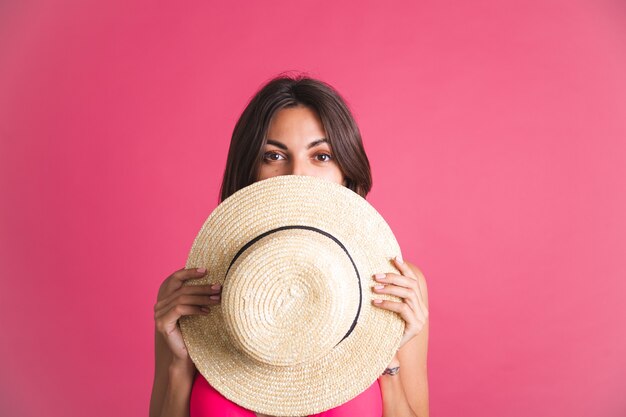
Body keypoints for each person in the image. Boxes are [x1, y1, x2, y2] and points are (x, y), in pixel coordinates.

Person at [150, 74, 430, 417]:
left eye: (322, 156)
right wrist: (179, 367)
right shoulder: (189, 294)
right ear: (249, 169)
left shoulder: (396, 287)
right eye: (274, 155)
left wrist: (387, 359)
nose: (297, 173)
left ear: (347, 171)